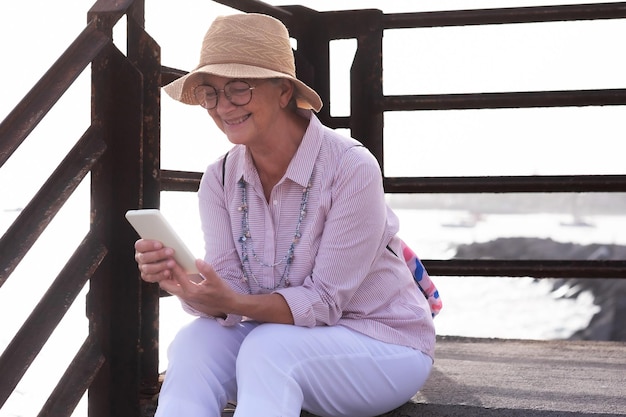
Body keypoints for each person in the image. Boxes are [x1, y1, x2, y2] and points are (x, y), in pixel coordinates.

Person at [134, 12, 435, 417]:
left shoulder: (350, 167)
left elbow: (324, 302)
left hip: (383, 344)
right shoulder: (219, 178)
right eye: (210, 92)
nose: (223, 106)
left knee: (268, 348)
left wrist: (232, 300)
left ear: (282, 92)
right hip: (279, 339)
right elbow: (233, 291)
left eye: (239, 88)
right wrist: (189, 287)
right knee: (192, 343)